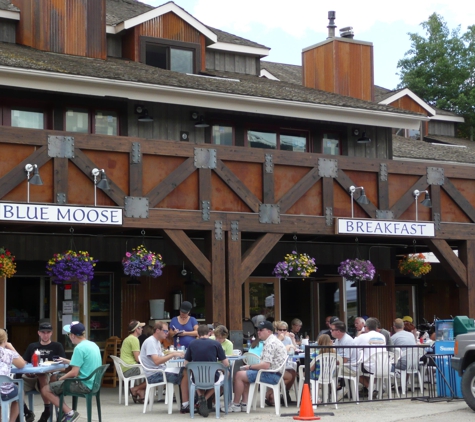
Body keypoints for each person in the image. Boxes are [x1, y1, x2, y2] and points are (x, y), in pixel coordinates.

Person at [41, 322, 102, 422]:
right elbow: (85, 363)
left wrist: (60, 379)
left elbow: (74, 373)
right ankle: (61, 411)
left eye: (69, 334)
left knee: (45, 390)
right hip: (93, 383)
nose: (69, 336)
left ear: (73, 335)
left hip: (83, 384)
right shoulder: (92, 344)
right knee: (54, 378)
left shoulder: (79, 348)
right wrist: (68, 361)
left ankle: (69, 413)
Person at [229, 320, 287, 412]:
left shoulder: (270, 343)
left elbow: (265, 365)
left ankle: (235, 404)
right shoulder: (271, 341)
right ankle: (244, 404)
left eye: (261, 330)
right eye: (258, 330)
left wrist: (249, 366)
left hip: (272, 375)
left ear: (269, 331)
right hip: (274, 373)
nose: (258, 332)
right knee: (244, 374)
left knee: (239, 375)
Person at [22, 322, 66, 422]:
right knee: (17, 382)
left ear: (51, 333)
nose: (45, 335)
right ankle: (25, 411)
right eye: (43, 332)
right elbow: (24, 362)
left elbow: (63, 367)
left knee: (42, 376)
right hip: (31, 375)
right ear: (39, 333)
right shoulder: (32, 346)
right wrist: (27, 370)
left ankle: (47, 410)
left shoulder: (57, 346)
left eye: (48, 332)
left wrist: (48, 369)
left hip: (47, 375)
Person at [139, 322, 187, 411]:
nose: (167, 333)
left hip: (159, 371)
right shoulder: (150, 342)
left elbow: (161, 357)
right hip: (154, 374)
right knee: (185, 373)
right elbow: (157, 361)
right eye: (165, 331)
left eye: (167, 331)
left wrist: (173, 353)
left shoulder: (156, 341)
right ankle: (186, 404)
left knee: (184, 371)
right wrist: (172, 355)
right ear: (157, 330)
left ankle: (186, 403)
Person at [184, 324, 229, 417]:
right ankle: (205, 398)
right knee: (225, 375)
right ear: (209, 333)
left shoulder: (192, 344)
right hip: (213, 377)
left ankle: (201, 397)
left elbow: (186, 364)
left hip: (197, 378)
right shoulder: (216, 344)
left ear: (198, 334)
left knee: (195, 378)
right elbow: (226, 363)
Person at [354, 317, 386, 393]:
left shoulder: (363, 336)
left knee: (352, 371)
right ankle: (374, 388)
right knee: (365, 368)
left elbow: (352, 345)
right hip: (384, 366)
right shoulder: (382, 336)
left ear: (366, 327)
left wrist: (358, 335)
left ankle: (370, 388)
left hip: (371, 367)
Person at [0, 329, 26, 422]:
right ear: (5, 340)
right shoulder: (8, 353)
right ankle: (12, 421)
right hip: (4, 391)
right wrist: (11, 347)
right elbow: (22, 364)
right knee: (20, 391)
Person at [120, 320, 146, 403]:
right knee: (154, 373)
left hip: (125, 368)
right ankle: (135, 389)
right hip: (130, 369)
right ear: (136, 329)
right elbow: (138, 359)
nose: (142, 329)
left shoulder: (128, 338)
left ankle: (140, 392)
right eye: (141, 327)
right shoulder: (134, 339)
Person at [273, 321, 297, 403]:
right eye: (280, 330)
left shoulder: (288, 339)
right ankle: (274, 393)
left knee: (293, 373)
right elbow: (275, 351)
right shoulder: (274, 338)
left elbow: (294, 349)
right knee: (289, 375)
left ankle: (285, 393)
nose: (282, 332)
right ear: (277, 330)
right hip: (276, 365)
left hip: (286, 363)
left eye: (284, 330)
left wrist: (293, 339)